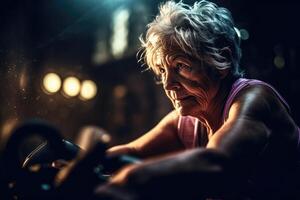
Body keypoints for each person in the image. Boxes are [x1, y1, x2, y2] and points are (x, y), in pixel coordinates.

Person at [95, 0, 300, 199]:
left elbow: (217, 163)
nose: (168, 85)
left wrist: (132, 178)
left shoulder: (255, 99)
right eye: (162, 71)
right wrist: (79, 160)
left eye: (181, 66)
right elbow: (132, 152)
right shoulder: (187, 121)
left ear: (223, 60)